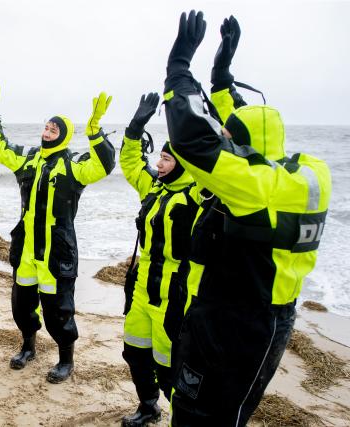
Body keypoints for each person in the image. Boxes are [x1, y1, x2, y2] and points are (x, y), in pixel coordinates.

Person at [163, 12, 331, 425]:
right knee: (208, 405)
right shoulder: (305, 174)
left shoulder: (254, 188)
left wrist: (179, 67)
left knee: (204, 414)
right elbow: (246, 132)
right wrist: (222, 79)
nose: (223, 136)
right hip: (261, 312)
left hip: (237, 321)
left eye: (228, 136)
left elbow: (191, 136)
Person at [0, 80, 116, 383]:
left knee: (58, 310)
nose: (46, 133)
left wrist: (95, 131)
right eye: (45, 128)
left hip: (57, 253)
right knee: (22, 305)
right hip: (27, 249)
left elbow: (104, 164)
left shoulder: (75, 166)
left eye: (53, 130)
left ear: (64, 136)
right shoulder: (28, 159)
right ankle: (28, 346)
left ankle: (66, 359)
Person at [119, 93, 200, 426]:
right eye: (160, 158)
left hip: (176, 296)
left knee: (170, 367)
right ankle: (148, 405)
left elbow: (221, 168)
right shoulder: (153, 187)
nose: (160, 164)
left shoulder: (198, 192)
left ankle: (181, 417)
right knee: (135, 352)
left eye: (167, 159)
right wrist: (135, 127)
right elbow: (130, 163)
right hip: (142, 289)